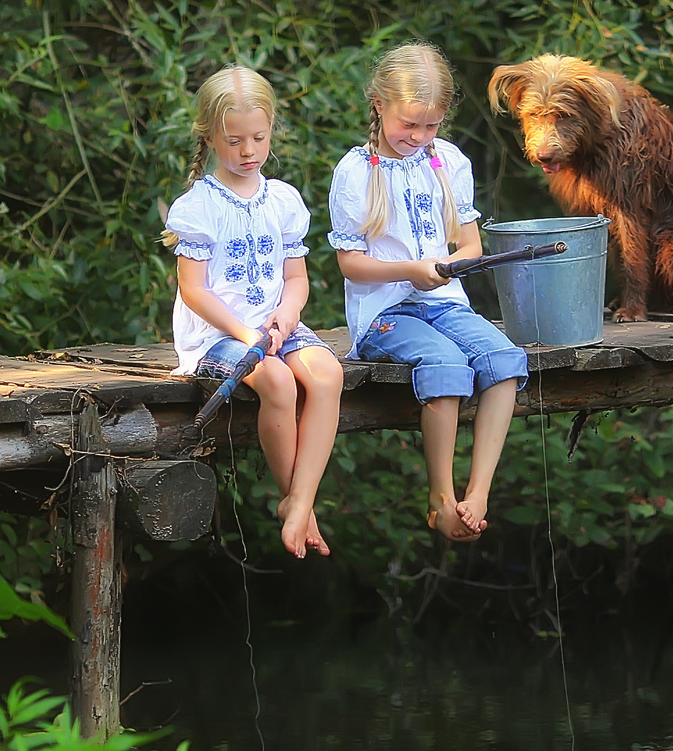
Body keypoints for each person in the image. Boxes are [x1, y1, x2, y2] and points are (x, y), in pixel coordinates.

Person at [329, 42, 527, 541]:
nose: (418, 137)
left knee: (505, 359)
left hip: (444, 303)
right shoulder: (355, 172)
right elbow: (351, 265)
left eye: (431, 126)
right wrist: (410, 270)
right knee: (446, 364)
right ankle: (441, 496)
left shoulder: (449, 162)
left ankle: (477, 493)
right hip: (385, 314)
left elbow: (470, 245)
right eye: (409, 124)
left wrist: (449, 267)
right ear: (379, 104)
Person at [167, 67, 342, 558]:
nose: (249, 151)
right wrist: (246, 333)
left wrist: (287, 313)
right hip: (219, 334)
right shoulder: (198, 206)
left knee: (328, 374)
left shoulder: (282, 200)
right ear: (209, 136)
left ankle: (299, 501)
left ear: (271, 131)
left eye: (259, 138)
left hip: (275, 323)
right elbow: (193, 291)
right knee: (279, 382)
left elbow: (296, 279)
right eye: (235, 140)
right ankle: (296, 501)